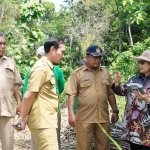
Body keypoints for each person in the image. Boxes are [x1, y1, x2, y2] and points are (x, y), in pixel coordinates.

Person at [14, 37, 65, 150]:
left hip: (47, 122)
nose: (63, 55)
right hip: (43, 123)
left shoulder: (48, 67)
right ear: (52, 49)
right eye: (62, 52)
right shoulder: (41, 68)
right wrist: (22, 119)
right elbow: (28, 97)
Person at [65, 45, 119, 150]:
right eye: (95, 57)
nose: (98, 60)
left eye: (99, 57)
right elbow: (71, 94)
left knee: (103, 147)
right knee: (83, 147)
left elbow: (110, 93)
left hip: (103, 117)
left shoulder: (106, 73)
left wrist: (115, 111)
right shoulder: (77, 74)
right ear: (87, 57)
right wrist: (71, 114)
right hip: (85, 118)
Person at [112, 50, 150, 150]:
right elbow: (123, 91)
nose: (140, 65)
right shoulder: (134, 79)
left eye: (143, 62)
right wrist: (117, 84)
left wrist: (147, 100)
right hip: (133, 127)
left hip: (147, 129)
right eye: (139, 62)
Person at [0, 31, 22, 150]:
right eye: (0, 43)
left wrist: (19, 103)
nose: (3, 46)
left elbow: (15, 85)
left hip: (7, 110)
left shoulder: (10, 62)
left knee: (8, 147)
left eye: (4, 43)